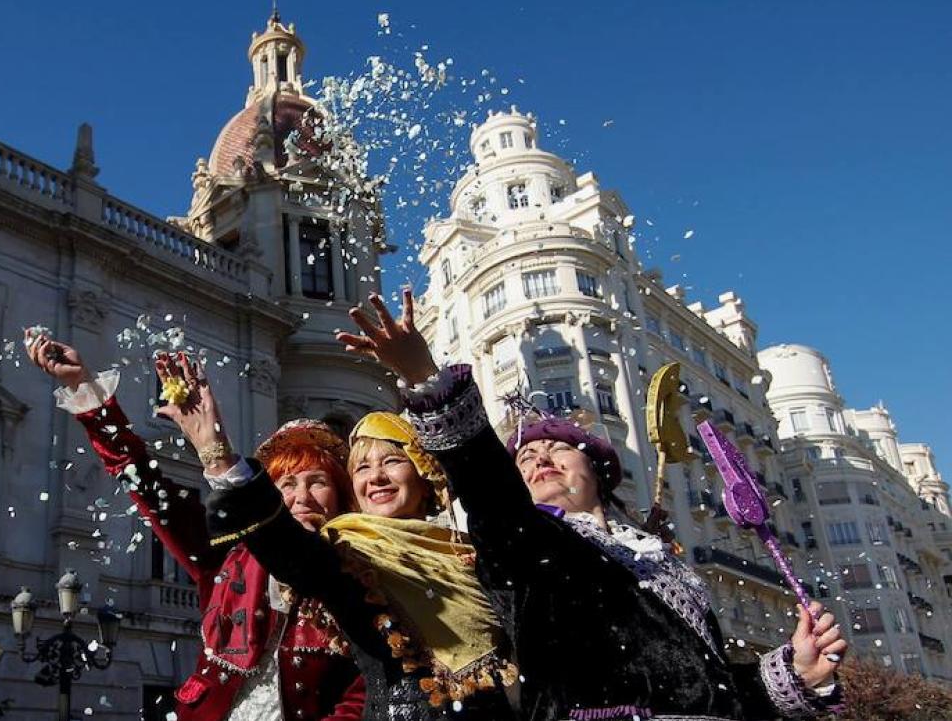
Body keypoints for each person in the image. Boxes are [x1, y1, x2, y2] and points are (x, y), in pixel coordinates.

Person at [334, 290, 847, 721]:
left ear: (597, 471)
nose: (538, 460)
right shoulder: (529, 545)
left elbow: (704, 687)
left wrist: (793, 672)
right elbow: (490, 490)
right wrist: (427, 378)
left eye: (555, 447)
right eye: (525, 458)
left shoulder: (663, 564)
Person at [151, 354, 517, 721]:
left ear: (425, 475)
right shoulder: (346, 556)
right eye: (362, 467)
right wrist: (217, 455)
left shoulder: (472, 554)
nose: (376, 477)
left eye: (392, 461)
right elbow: (286, 547)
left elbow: (500, 505)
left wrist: (426, 378)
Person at [26, 331, 364, 721]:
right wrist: (84, 388)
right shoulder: (228, 556)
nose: (301, 496)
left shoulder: (359, 575)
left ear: (340, 496)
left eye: (317, 482)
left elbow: (361, 696)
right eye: (286, 484)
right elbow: (144, 484)